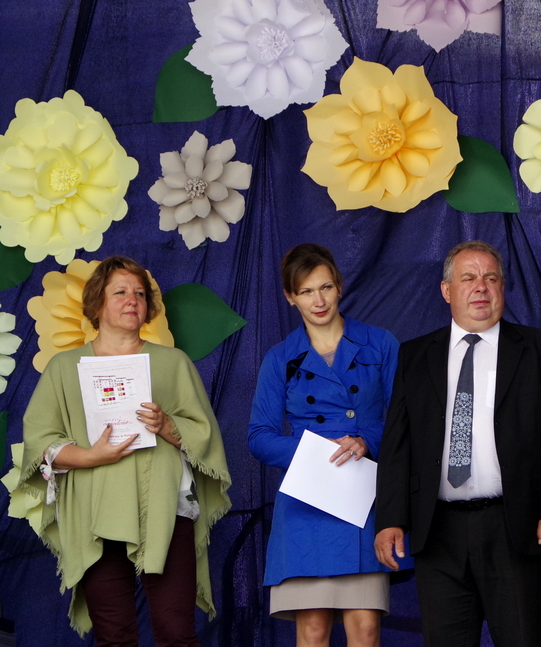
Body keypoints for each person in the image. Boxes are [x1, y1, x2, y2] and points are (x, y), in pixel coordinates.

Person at [14, 255, 232, 645]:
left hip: (165, 509)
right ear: (97, 303)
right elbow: (40, 443)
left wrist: (167, 425)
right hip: (96, 513)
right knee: (113, 636)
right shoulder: (64, 368)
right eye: (120, 292)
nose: (132, 300)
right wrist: (90, 457)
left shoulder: (173, 363)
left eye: (140, 294)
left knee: (176, 632)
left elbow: (205, 437)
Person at [374, 240, 541, 647]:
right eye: (468, 278)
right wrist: (390, 519)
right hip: (439, 532)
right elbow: (398, 443)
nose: (480, 287)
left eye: (491, 278)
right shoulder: (415, 356)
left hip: (514, 527)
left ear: (502, 287)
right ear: (446, 290)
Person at [249, 243, 411, 647]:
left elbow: (406, 419)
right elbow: (259, 437)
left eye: (325, 288)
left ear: (339, 286)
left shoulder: (381, 343)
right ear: (290, 297)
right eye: (306, 292)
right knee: (313, 630)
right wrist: (314, 454)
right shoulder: (280, 358)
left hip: (363, 498)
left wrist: (366, 439)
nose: (318, 301)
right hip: (307, 502)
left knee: (366, 629)